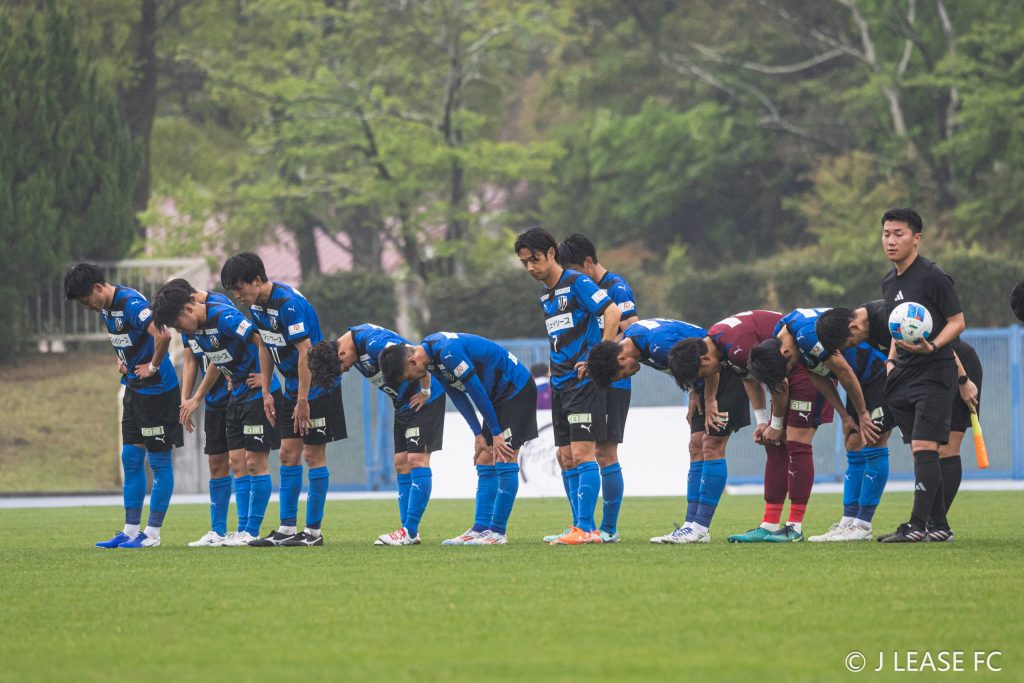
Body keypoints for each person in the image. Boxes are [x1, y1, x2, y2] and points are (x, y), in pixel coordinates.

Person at [817, 300, 981, 541]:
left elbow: (942, 347)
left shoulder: (890, 317)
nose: (854, 346)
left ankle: (932, 525)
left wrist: (963, 381)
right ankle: (935, 526)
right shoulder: (867, 326)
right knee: (923, 450)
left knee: (946, 448)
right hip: (925, 376)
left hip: (956, 367)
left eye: (850, 343)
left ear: (853, 327)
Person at [587, 318, 750, 543]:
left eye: (623, 373)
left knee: (711, 445)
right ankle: (690, 526)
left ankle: (700, 527)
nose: (628, 375)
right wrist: (694, 391)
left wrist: (710, 399)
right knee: (696, 446)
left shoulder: (660, 344)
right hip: (703, 384)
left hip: (723, 374)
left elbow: (708, 359)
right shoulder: (632, 340)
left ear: (622, 358)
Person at [221, 253, 346, 546]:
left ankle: (313, 532)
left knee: (312, 456)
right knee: (287, 455)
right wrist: (266, 390)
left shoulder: (288, 304)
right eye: (233, 291)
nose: (237, 296)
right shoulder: (257, 307)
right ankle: (287, 528)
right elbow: (265, 346)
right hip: (292, 389)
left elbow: (306, 352)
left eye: (239, 288)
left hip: (318, 388)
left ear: (257, 280)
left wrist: (303, 400)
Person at [153, 282, 286, 545]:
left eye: (178, 324)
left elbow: (262, 339)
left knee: (253, 463)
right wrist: (196, 396)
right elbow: (217, 357)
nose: (180, 331)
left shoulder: (224, 316)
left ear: (189, 308)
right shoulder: (198, 328)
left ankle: (250, 530)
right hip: (237, 394)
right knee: (236, 462)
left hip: (255, 394)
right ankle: (232, 531)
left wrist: (266, 379)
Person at [515, 228, 622, 545]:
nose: (531, 267)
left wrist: (598, 358)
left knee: (582, 452)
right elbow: (560, 337)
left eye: (535, 259)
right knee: (564, 456)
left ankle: (587, 529)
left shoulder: (577, 283)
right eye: (524, 263)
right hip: (559, 383)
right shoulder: (545, 295)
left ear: (551, 253)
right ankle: (578, 526)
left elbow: (612, 311)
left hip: (583, 383)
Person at [380, 332, 538, 545]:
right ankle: (480, 528)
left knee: (504, 456)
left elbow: (475, 390)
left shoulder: (448, 352)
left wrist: (496, 432)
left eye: (409, 376)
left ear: (412, 361)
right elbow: (456, 394)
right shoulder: (431, 359)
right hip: (497, 397)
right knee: (484, 458)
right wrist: (478, 433)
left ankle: (498, 532)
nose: (413, 380)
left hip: (516, 389)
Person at [748, 307, 890, 542]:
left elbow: (844, 371)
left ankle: (863, 525)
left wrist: (863, 413)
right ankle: (848, 522)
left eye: (789, 368)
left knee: (873, 440)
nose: (791, 371)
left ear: (785, 352)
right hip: (860, 379)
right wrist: (844, 415)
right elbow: (817, 376)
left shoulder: (807, 336)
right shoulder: (782, 334)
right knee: (853, 442)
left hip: (878, 371)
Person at [64, 263, 182, 549]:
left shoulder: (131, 303)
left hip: (158, 391)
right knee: (130, 459)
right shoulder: (106, 309)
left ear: (97, 288)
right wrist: (122, 359)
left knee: (159, 462)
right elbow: (124, 338)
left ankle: (152, 534)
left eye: (86, 300)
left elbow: (163, 335)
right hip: (134, 389)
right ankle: (130, 531)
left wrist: (152, 367)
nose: (86, 307)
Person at [307, 324, 445, 546]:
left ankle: (409, 531)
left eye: (342, 367)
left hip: (425, 399)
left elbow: (418, 357)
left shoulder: (374, 342)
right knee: (401, 463)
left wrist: (425, 391)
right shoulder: (352, 350)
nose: (344, 370)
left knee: (417, 460)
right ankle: (409, 532)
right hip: (403, 405)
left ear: (342, 353)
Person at [877, 208, 966, 543]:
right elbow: (895, 328)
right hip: (903, 373)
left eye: (898, 234)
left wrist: (934, 346)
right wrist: (890, 361)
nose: (890, 240)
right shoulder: (889, 282)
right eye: (886, 234)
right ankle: (939, 526)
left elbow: (958, 321)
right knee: (920, 448)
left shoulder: (933, 276)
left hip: (935, 370)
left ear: (916, 238)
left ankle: (916, 526)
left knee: (925, 445)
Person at [556, 233, 637, 542]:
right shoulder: (579, 289)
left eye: (574, 270)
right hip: (585, 380)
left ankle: (609, 529)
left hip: (612, 381)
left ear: (588, 262)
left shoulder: (615, 286)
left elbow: (633, 329)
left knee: (605, 452)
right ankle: (581, 524)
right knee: (570, 454)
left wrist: (599, 356)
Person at [161, 279, 248, 547]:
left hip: (234, 392)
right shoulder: (187, 321)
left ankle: (245, 529)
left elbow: (219, 358)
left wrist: (197, 397)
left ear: (187, 301)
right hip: (213, 399)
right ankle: (218, 531)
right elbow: (190, 359)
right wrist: (185, 399)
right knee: (216, 462)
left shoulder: (215, 309)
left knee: (239, 461)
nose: (179, 329)